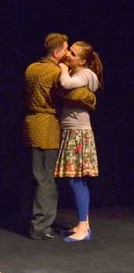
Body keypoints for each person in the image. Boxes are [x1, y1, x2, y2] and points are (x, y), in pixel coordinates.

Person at [54, 41, 103, 242]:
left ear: (82, 61)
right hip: (71, 130)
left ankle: (83, 228)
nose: (69, 55)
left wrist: (62, 68)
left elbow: (66, 84)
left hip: (78, 132)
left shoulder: (86, 74)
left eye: (73, 54)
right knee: (75, 179)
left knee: (77, 180)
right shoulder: (79, 73)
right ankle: (84, 224)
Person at [23, 33, 69, 240]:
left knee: (40, 176)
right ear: (57, 53)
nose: (67, 53)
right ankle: (41, 226)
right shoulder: (55, 71)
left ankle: (40, 223)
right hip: (45, 127)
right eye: (66, 49)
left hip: (32, 123)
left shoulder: (31, 68)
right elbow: (72, 94)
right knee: (45, 178)